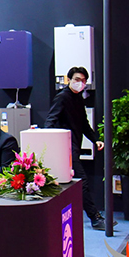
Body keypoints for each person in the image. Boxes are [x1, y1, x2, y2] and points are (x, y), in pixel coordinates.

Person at [45, 66, 113, 231]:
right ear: (68, 80)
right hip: (65, 147)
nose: (80, 83)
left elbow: (83, 123)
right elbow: (50, 121)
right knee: (82, 181)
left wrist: (96, 140)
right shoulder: (62, 97)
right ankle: (95, 218)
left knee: (75, 182)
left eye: (83, 80)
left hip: (74, 145)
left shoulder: (78, 98)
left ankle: (92, 217)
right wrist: (52, 142)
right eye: (77, 79)